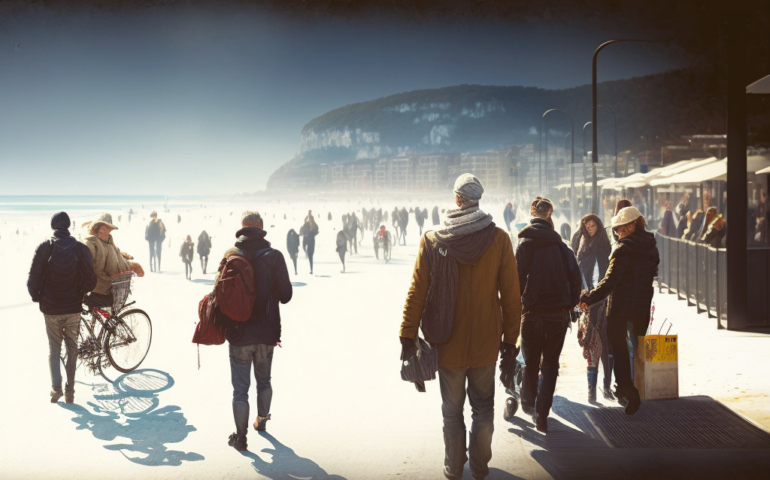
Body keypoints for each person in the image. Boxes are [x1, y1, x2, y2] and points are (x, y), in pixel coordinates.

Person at [400, 174, 522, 480]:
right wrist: (510, 342)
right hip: (486, 343)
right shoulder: (499, 239)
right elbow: (511, 298)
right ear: (477, 199)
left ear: (457, 199)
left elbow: (417, 291)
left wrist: (407, 334)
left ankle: (454, 467)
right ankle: (480, 468)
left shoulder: (433, 240)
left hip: (447, 343)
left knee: (451, 411)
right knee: (483, 408)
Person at [580, 206, 659, 415]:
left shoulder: (623, 248)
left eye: (622, 227)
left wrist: (589, 298)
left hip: (621, 306)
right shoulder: (651, 246)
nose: (619, 232)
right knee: (636, 349)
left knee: (618, 348)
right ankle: (634, 388)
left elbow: (609, 281)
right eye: (617, 229)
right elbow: (654, 272)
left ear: (633, 224)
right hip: (641, 305)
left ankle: (627, 389)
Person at [226, 211, 293, 452]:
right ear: (262, 228)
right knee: (264, 381)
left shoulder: (231, 256)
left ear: (242, 229)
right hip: (266, 332)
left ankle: (241, 438)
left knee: (240, 390)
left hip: (238, 332)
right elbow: (286, 296)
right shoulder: (274, 256)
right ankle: (262, 421)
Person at [515, 197, 581, 432]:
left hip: (531, 313)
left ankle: (527, 403)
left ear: (532, 215)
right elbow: (576, 279)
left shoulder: (525, 246)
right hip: (557, 315)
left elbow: (516, 281)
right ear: (550, 217)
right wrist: (571, 306)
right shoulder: (563, 247)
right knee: (551, 364)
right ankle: (542, 414)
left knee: (531, 363)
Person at [27, 212, 97, 404]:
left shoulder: (44, 247)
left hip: (50, 309)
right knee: (72, 348)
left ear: (53, 226)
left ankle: (56, 387)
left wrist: (36, 297)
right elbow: (91, 279)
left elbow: (33, 278)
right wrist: (81, 293)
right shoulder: (81, 248)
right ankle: (70, 390)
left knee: (54, 349)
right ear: (68, 226)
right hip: (73, 308)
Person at [571, 214, 613, 402]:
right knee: (590, 342)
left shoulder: (603, 244)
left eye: (593, 225)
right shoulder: (581, 243)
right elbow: (577, 270)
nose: (590, 228)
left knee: (604, 343)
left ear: (598, 225)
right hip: (586, 299)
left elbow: (604, 272)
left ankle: (605, 385)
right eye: (587, 225)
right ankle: (593, 390)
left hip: (602, 299)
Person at [82, 213, 143, 308]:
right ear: (100, 229)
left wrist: (126, 259)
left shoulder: (107, 242)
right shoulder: (92, 244)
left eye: (110, 229)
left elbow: (113, 259)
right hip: (107, 289)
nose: (109, 232)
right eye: (107, 229)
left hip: (107, 290)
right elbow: (94, 270)